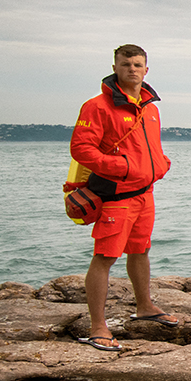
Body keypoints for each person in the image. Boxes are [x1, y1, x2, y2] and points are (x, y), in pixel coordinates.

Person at [69, 44, 175, 351]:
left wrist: (160, 164)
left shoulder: (150, 108)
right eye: (126, 64)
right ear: (115, 67)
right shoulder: (98, 106)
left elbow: (150, 147)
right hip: (116, 195)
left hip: (145, 194)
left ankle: (145, 307)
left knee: (140, 250)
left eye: (138, 64)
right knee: (105, 258)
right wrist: (122, 167)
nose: (132, 69)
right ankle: (98, 326)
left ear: (146, 69)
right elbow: (81, 149)